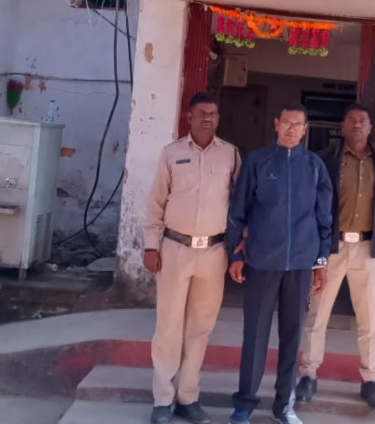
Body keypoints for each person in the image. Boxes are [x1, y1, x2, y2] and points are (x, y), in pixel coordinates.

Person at [225, 104, 333, 424]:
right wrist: (235, 253)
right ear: (276, 124)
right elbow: (238, 211)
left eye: (297, 124)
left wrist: (320, 261)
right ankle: (244, 405)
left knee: (291, 337)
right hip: (262, 262)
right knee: (254, 335)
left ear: (305, 129)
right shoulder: (258, 161)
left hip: (300, 265)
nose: (291, 129)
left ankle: (284, 406)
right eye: (286, 123)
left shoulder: (314, 166)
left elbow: (324, 217)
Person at [295, 103, 375, 409]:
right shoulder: (324, 160)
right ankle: (308, 375)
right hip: (331, 249)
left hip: (367, 250)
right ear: (342, 127)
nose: (357, 125)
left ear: (370, 127)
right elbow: (309, 201)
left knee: (368, 319)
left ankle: (371, 380)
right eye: (351, 120)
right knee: (317, 315)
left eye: (362, 121)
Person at [143, 92, 241, 424]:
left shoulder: (231, 155)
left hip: (213, 253)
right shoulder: (171, 154)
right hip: (174, 249)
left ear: (218, 118)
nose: (207, 118)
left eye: (212, 113)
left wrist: (238, 248)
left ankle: (188, 397)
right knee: (168, 326)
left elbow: (239, 206)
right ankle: (162, 400)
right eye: (201, 113)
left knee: (200, 329)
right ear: (189, 116)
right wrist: (150, 246)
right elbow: (156, 203)